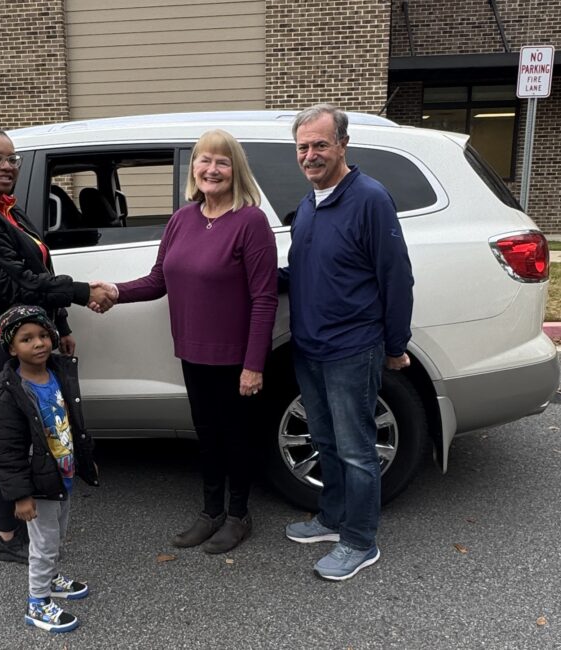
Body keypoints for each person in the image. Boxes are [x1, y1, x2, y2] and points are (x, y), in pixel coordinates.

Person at [96, 129, 278, 554]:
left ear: (236, 170)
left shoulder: (250, 221)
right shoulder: (183, 219)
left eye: (222, 161)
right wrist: (116, 291)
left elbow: (265, 298)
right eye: (204, 160)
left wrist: (254, 364)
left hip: (235, 358)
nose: (211, 169)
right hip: (193, 351)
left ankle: (238, 515)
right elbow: (160, 279)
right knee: (208, 435)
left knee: (237, 438)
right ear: (193, 168)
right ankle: (210, 512)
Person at [0, 127, 114, 564]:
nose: (6, 166)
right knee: (3, 441)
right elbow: (14, 282)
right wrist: (81, 292)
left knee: (28, 436)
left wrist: (59, 323)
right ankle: (8, 538)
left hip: (21, 338)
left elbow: (37, 264)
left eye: (12, 158)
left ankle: (28, 524)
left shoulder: (7, 210)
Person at [280, 104, 414, 581]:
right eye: (303, 147)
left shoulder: (370, 199)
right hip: (310, 346)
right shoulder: (312, 204)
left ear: (342, 145)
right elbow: (307, 270)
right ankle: (332, 519)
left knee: (357, 448)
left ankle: (360, 540)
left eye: (320, 144)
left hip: (352, 348)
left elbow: (396, 277)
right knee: (325, 440)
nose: (311, 155)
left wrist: (396, 344)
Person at [0, 305, 99, 634]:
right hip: (37, 483)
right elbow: (8, 453)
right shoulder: (7, 396)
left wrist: (83, 458)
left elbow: (72, 421)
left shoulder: (58, 373)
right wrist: (20, 496)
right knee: (43, 544)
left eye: (43, 335)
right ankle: (37, 602)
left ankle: (51, 578)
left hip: (60, 474)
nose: (39, 343)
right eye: (27, 339)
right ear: (12, 348)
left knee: (55, 537)